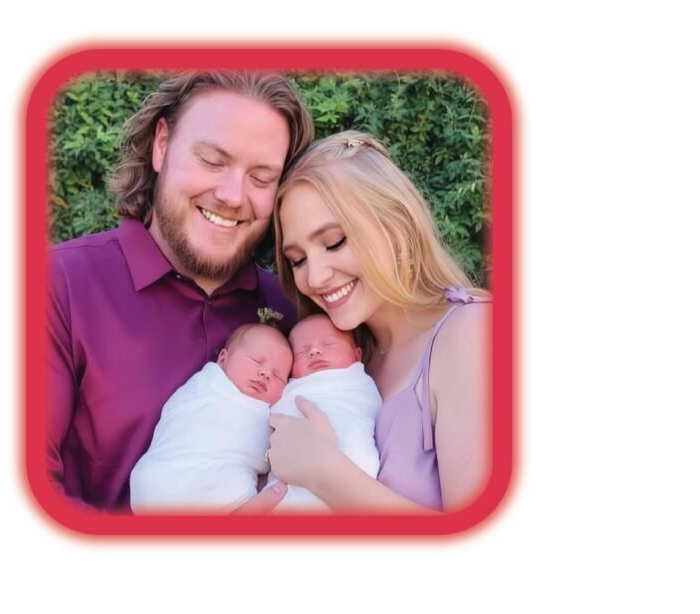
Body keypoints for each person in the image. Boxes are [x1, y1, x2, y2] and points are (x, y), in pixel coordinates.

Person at [47, 72, 314, 512]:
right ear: (161, 145)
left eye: (261, 177)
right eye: (212, 160)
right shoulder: (57, 285)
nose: (232, 195)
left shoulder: (293, 312)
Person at [267, 130, 491, 513]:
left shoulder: (471, 334)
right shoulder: (341, 356)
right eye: (297, 260)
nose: (315, 277)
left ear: (395, 224)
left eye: (334, 242)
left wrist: (324, 472)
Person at [129, 321, 292, 513]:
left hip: (170, 486)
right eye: (257, 360)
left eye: (278, 376)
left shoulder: (268, 412)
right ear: (223, 359)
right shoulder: (206, 386)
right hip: (161, 477)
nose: (266, 374)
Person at [265, 313, 382, 513]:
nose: (314, 351)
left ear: (357, 355)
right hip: (287, 487)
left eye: (328, 344)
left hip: (350, 481)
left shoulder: (358, 382)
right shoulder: (290, 389)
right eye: (302, 352)